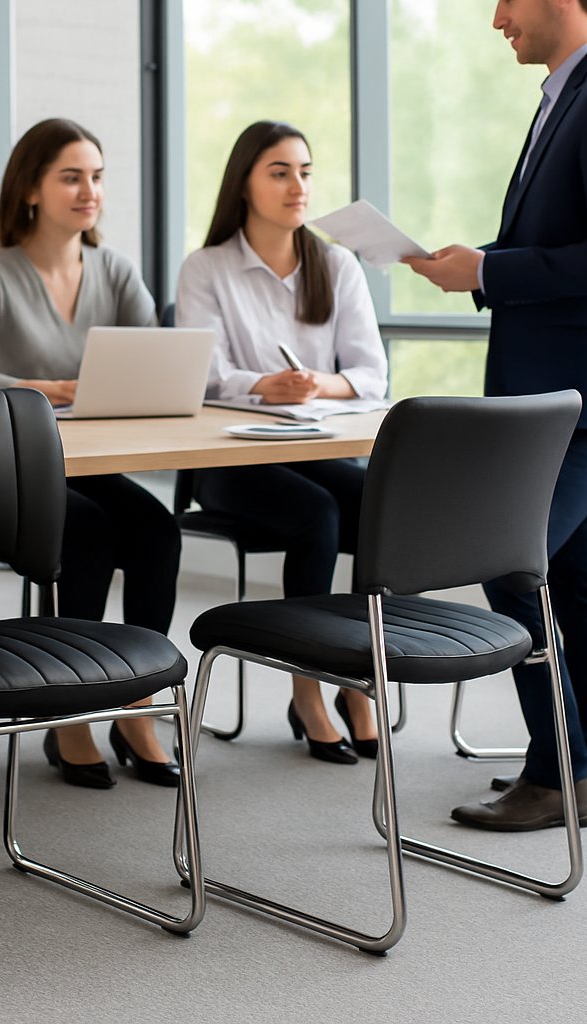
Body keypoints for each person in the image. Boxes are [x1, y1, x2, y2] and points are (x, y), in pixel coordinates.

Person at [405, 0, 587, 830]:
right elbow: (571, 239)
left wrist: (490, 268)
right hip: (564, 387)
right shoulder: (575, 92)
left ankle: (556, 773)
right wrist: (480, 268)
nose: (497, 19)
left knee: (508, 560)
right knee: (585, 576)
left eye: (508, 0)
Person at [0, 118, 181, 789]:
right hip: (15, 467)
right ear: (31, 188)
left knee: (156, 531)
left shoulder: (114, 269)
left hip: (91, 460)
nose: (90, 191)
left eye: (98, 177)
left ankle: (135, 702)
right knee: (89, 531)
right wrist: (54, 388)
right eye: (72, 176)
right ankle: (68, 710)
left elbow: (156, 358)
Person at [176, 120, 388, 764]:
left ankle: (357, 677)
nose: (298, 185)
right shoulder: (207, 268)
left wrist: (316, 385)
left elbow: (372, 373)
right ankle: (307, 689)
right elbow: (204, 376)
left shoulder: (337, 264)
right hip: (229, 461)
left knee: (375, 504)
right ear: (244, 182)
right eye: (279, 171)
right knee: (315, 515)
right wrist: (265, 385)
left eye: (305, 170)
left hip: (314, 448)